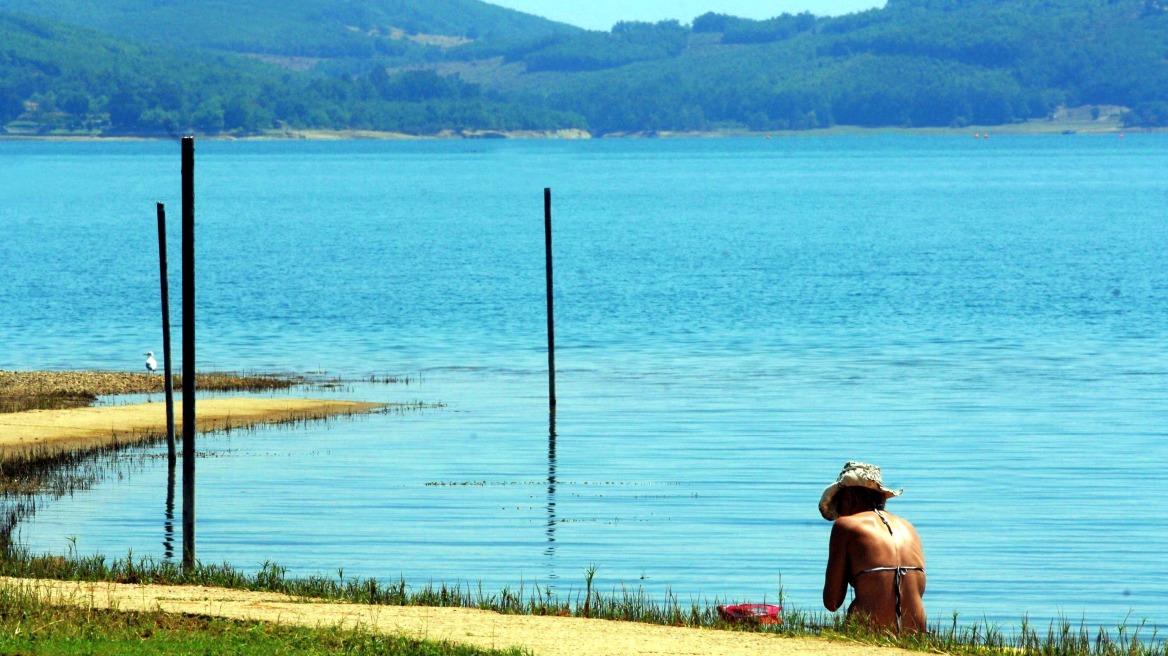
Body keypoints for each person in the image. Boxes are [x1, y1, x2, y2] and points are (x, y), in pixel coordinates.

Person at [820, 461, 927, 633]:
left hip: (870, 633)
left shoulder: (845, 526)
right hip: (915, 636)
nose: (839, 514)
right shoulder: (909, 528)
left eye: (838, 504)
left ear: (849, 498)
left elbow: (832, 601)